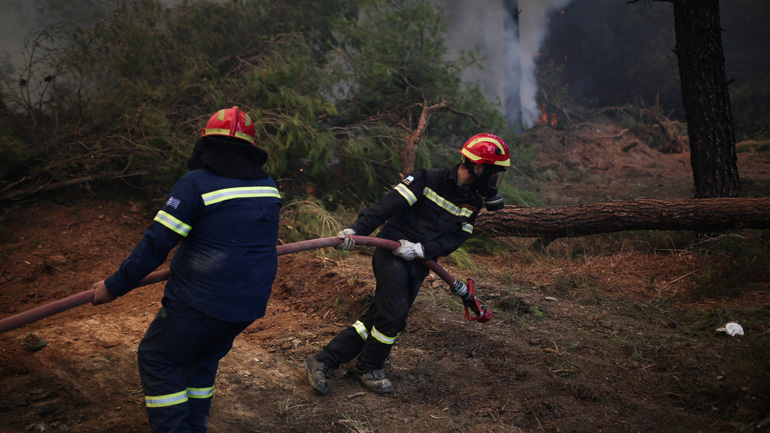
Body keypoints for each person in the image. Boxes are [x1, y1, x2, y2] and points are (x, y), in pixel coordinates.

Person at [90, 106, 282, 433]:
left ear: (206, 144)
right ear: (252, 150)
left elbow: (156, 244)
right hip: (248, 305)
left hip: (200, 303)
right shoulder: (268, 185)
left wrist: (114, 286)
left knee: (157, 357)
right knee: (201, 363)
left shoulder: (196, 183)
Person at [304, 133, 511, 395]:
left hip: (421, 261)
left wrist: (423, 250)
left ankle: (324, 360)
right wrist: (354, 231)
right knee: (394, 315)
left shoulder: (473, 201)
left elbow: (458, 236)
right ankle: (369, 367)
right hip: (391, 252)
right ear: (479, 167)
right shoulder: (427, 179)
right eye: (495, 174)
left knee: (380, 316)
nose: (495, 181)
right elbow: (385, 207)